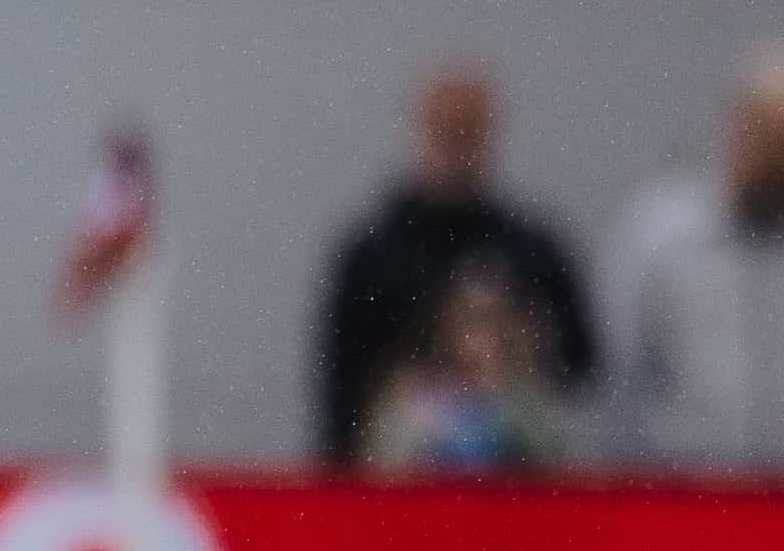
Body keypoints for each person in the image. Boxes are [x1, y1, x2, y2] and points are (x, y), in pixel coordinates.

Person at [312, 65, 593, 471]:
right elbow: (339, 387)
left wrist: (515, 366)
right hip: (399, 486)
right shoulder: (373, 257)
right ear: (420, 128)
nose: (456, 146)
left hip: (518, 489)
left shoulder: (533, 252)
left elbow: (579, 366)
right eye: (446, 129)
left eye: (468, 131)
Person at [603, 49, 784, 472]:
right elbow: (621, 370)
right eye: (765, 136)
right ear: (737, 128)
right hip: (681, 492)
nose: (773, 158)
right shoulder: (659, 235)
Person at [360, 256, 574, 475]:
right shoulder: (410, 394)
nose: (488, 335)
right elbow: (382, 477)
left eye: (499, 318)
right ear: (445, 324)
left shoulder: (532, 393)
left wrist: (506, 400)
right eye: (472, 319)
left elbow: (558, 471)